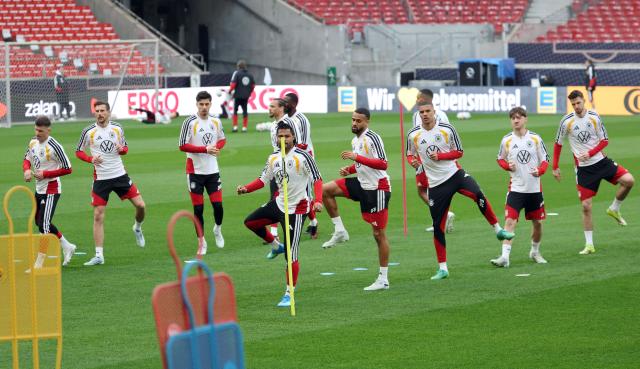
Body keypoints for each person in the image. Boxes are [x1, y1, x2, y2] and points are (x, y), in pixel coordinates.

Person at [406, 101, 514, 280]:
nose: (425, 114)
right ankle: (443, 269)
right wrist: (413, 162)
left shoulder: (447, 129)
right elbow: (410, 154)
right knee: (438, 227)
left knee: (478, 194)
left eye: (428, 111)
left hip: (455, 175)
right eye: (421, 112)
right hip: (435, 185)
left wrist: (440, 156)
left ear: (434, 112)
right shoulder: (413, 134)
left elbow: (459, 152)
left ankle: (498, 230)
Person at [237, 121, 323, 307]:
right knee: (251, 222)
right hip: (278, 204)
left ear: (294, 138)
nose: (283, 139)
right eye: (280, 136)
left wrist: (318, 200)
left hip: (297, 209)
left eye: (287, 136)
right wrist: (246, 189)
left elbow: (317, 179)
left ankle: (289, 293)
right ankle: (276, 245)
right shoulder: (273, 158)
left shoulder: (303, 157)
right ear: (276, 138)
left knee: (291, 256)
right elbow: (262, 180)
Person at [552, 90, 634, 255]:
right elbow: (558, 143)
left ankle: (614, 208)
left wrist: (590, 153)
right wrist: (555, 166)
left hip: (601, 162)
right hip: (584, 169)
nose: (576, 106)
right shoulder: (566, 121)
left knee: (629, 181)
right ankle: (589, 245)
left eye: (578, 103)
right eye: (573, 104)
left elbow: (605, 140)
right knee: (586, 206)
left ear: (584, 101)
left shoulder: (594, 117)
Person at [322, 108, 392, 291]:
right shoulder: (355, 140)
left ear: (367, 122)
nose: (354, 123)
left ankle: (383, 279)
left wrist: (356, 157)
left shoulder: (373, 138)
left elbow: (383, 163)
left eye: (358, 121)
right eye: (353, 120)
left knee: (378, 234)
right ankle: (339, 231)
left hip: (377, 189)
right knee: (326, 190)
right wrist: (350, 169)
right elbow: (362, 163)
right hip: (361, 184)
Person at [75, 101, 146, 266]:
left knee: (141, 206)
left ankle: (137, 227)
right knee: (98, 215)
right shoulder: (88, 131)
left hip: (120, 175)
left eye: (102, 111)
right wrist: (90, 159)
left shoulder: (117, 128)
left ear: (108, 112)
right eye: (97, 111)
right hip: (101, 178)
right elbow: (78, 151)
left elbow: (125, 148)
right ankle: (99, 255)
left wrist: (121, 149)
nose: (99, 113)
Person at [490, 107, 549, 268]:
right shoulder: (507, 140)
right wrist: (507, 166)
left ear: (525, 119)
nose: (516, 120)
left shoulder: (535, 138)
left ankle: (535, 252)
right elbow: (499, 159)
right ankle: (505, 257)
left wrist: (540, 170)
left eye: (519, 117)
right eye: (513, 118)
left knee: (537, 224)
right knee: (509, 221)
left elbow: (545, 159)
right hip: (515, 189)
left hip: (534, 190)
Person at [23, 116, 76, 268]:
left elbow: (68, 168)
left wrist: (45, 174)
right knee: (38, 222)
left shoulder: (54, 146)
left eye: (40, 130)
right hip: (39, 188)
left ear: (48, 130)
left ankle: (38, 265)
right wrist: (27, 170)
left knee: (44, 225)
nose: (37, 133)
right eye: (36, 129)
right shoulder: (33, 142)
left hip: (51, 189)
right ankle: (67, 246)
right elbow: (27, 158)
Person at [179, 91, 227, 253]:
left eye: (207, 104)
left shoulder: (216, 121)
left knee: (218, 206)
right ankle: (202, 241)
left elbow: (222, 139)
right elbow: (182, 145)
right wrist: (205, 149)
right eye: (201, 104)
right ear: (197, 104)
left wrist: (216, 148)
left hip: (213, 171)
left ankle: (217, 230)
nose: (204, 107)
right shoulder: (189, 122)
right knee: (198, 209)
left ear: (210, 104)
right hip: (194, 172)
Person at [411, 89, 455, 233]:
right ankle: (440, 218)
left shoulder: (427, 115)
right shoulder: (434, 113)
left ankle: (443, 216)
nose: (417, 99)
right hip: (432, 157)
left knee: (423, 190)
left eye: (419, 97)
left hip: (429, 159)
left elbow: (448, 135)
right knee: (429, 189)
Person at [284, 92, 319, 239]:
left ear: (293, 104)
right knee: (297, 190)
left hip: (305, 159)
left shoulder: (302, 120)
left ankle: (313, 224)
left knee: (306, 192)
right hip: (292, 158)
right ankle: (312, 221)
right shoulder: (285, 119)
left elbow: (303, 144)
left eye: (286, 101)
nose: (284, 103)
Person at [265, 98, 296, 240]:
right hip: (277, 165)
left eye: (272, 106)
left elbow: (299, 144)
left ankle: (313, 221)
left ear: (281, 108)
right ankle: (274, 233)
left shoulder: (289, 124)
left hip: (290, 166)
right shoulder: (273, 125)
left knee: (296, 197)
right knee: (275, 196)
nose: (269, 108)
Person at [228, 60, 255, 133]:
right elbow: (253, 86)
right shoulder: (250, 75)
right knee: (245, 112)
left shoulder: (237, 74)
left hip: (237, 96)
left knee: (235, 111)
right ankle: (244, 128)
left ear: (238, 67)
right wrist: (249, 93)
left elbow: (233, 85)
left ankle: (235, 127)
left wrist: (230, 91)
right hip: (246, 96)